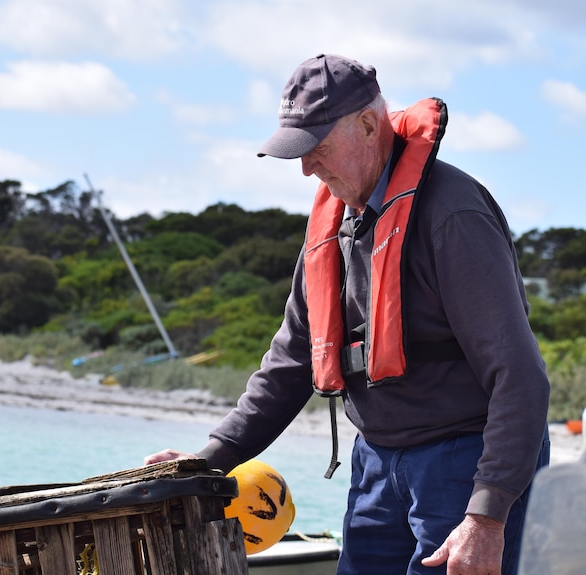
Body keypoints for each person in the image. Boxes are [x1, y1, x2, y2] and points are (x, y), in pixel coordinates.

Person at [145, 54, 550, 575]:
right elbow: (289, 364)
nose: (307, 167)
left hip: (464, 462)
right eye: (298, 152)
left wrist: (487, 516)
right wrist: (204, 464)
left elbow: (520, 376)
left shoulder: (454, 214)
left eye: (317, 147)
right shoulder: (335, 224)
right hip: (377, 462)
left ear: (367, 124)